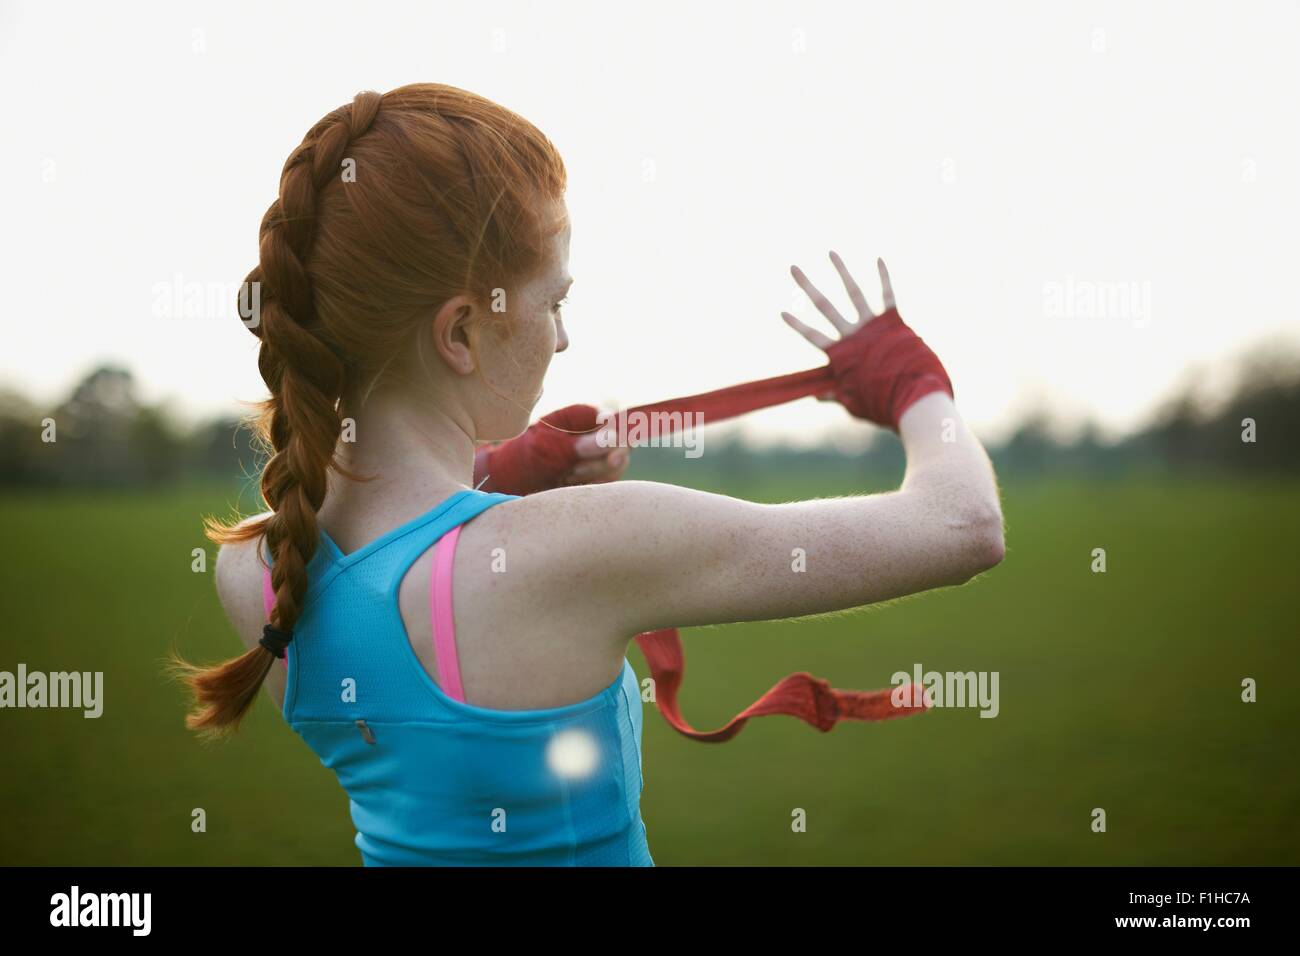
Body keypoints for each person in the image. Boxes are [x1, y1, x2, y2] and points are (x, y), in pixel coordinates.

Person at [171, 83, 1004, 866]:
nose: (563, 340)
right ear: (460, 332)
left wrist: (502, 473)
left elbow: (397, 541)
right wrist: (913, 383)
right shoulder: (568, 552)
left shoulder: (253, 573)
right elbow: (961, 527)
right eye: (554, 303)